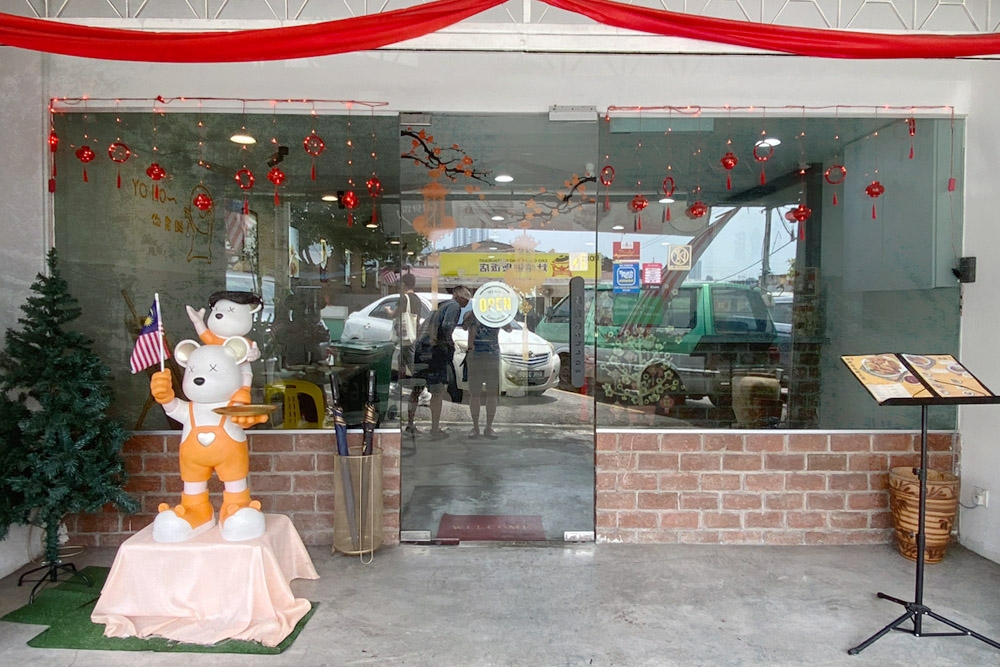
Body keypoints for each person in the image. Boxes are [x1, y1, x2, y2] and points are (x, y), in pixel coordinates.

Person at [414, 285, 471, 440]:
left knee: (417, 388)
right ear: (457, 296)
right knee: (438, 391)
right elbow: (446, 327)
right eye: (466, 298)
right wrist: (449, 345)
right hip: (435, 352)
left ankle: (410, 425)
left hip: (421, 349)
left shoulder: (439, 307)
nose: (467, 302)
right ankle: (434, 428)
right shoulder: (454, 306)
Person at [462, 291, 511, 439]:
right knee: (475, 393)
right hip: (476, 356)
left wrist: (502, 314)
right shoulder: (471, 314)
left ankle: (488, 427)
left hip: (491, 356)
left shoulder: (496, 314)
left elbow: (509, 328)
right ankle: (476, 427)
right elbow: (464, 326)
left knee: (491, 393)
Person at [383, 273, 423, 435]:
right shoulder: (418, 300)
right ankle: (403, 385)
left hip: (406, 338)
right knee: (403, 359)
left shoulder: (404, 299)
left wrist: (388, 310)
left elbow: (395, 315)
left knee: (408, 360)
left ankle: (418, 389)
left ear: (405, 284)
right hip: (414, 334)